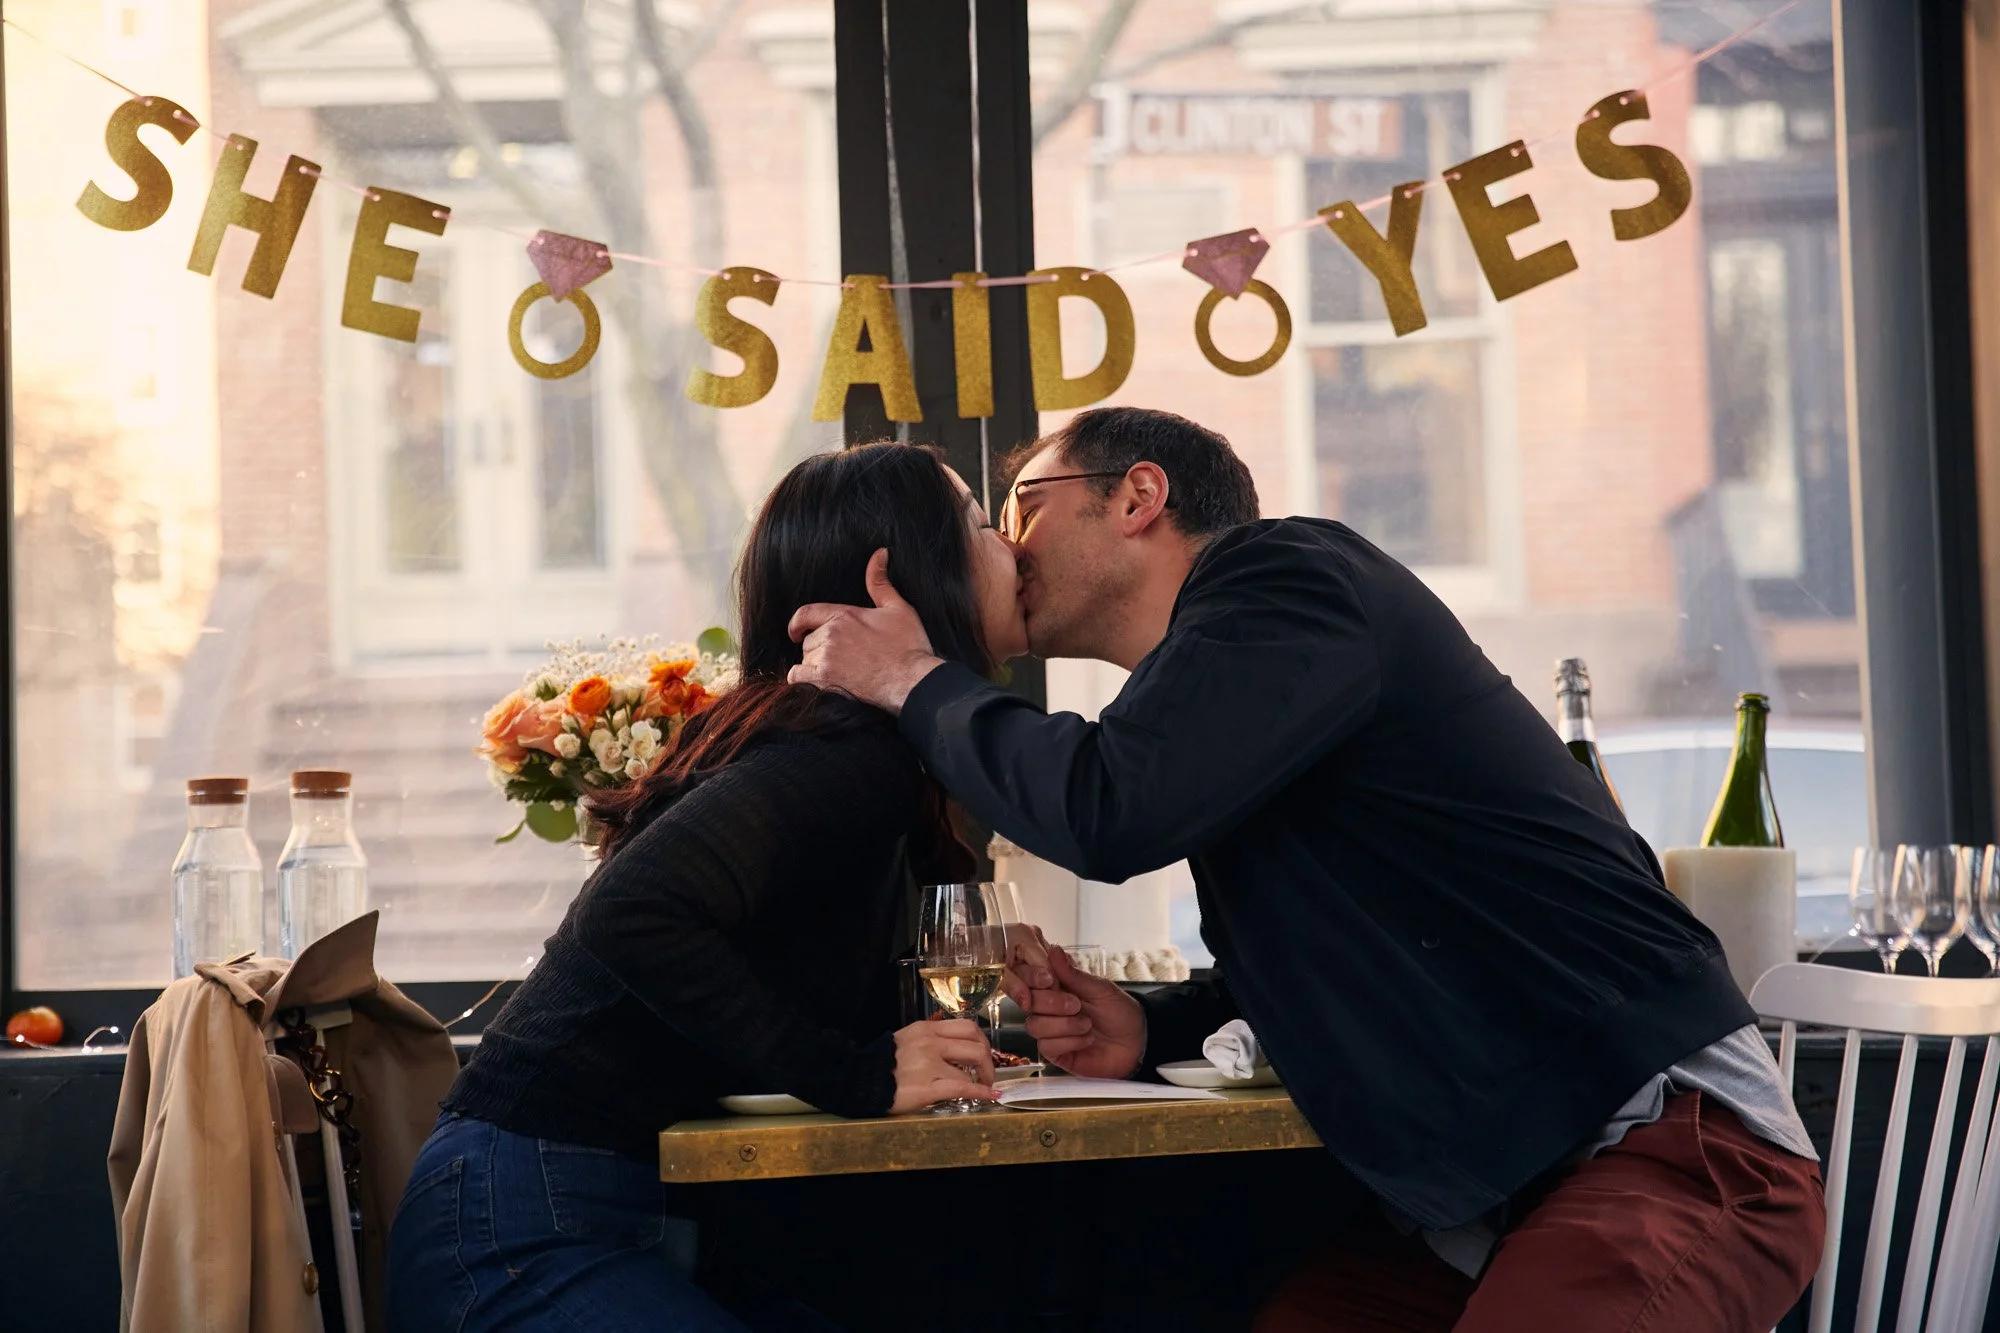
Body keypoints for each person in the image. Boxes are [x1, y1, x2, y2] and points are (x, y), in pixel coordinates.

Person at [787, 406, 1827, 1332]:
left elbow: (1108, 810)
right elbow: (1341, 948)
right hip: (1499, 1197)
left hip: (1667, 1143)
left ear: (1138, 496)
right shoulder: (1232, 688)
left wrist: (912, 678)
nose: (1010, 546)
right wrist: (1148, 1027)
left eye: (1026, 505)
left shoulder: (1287, 578)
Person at [385, 443, 1027, 1332]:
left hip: (594, 1209)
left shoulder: (854, 751)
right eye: (983, 526)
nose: (1012, 548)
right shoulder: (847, 758)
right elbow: (631, 913)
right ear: (903, 579)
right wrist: (855, 1073)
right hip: (522, 1222)